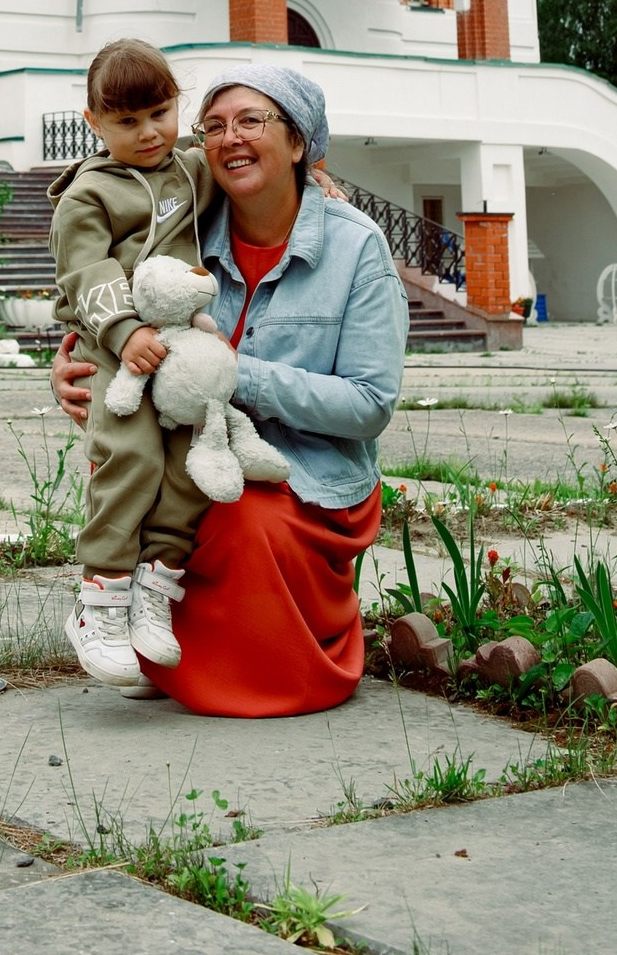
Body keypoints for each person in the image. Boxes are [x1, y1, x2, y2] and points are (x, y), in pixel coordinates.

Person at [52, 62, 407, 718]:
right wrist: (70, 366)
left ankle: (228, 667)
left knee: (232, 509)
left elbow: (369, 406)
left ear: (298, 142)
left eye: (252, 121)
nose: (230, 138)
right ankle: (131, 626)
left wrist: (231, 373)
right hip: (194, 443)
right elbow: (106, 304)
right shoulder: (184, 238)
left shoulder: (357, 248)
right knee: (173, 484)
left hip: (311, 470)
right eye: (213, 126)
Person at [49, 38, 221, 686]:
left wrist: (311, 165)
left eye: (160, 113)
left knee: (188, 461)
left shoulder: (190, 169)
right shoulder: (88, 197)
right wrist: (122, 332)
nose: (149, 133)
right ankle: (101, 602)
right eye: (127, 122)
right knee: (133, 459)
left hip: (180, 347)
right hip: (113, 347)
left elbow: (249, 153)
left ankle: (156, 588)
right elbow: (85, 272)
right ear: (94, 123)